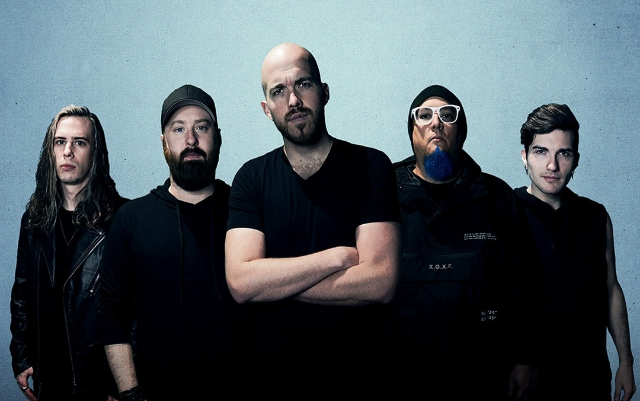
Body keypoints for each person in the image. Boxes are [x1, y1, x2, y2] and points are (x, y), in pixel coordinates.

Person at [225, 42, 401, 374]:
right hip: (273, 377)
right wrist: (335, 259)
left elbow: (380, 281)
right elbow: (241, 283)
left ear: (324, 92)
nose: (293, 100)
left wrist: (274, 285)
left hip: (360, 374)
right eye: (278, 91)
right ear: (266, 109)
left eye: (303, 84)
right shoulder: (251, 178)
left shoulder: (370, 166)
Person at [389, 85, 539, 400]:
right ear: (412, 131)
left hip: (481, 374)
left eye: (448, 115)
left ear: (461, 131)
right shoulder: (384, 195)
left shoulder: (496, 196)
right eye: (424, 115)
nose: (436, 122)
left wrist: (525, 358)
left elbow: (524, 281)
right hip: (401, 373)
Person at [98, 84, 245, 401]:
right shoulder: (132, 219)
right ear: (164, 142)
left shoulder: (247, 212)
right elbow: (111, 313)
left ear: (218, 137)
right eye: (178, 129)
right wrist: (130, 394)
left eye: (201, 127)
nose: (191, 140)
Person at [515, 103, 635, 401]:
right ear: (524, 156)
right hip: (526, 378)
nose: (552, 166)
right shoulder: (505, 211)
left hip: (588, 374)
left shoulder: (595, 216)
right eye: (541, 151)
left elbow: (611, 288)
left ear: (576, 160)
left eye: (564, 153)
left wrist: (626, 361)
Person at [10, 105, 126, 401]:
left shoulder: (121, 218)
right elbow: (22, 293)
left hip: (98, 382)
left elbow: (135, 308)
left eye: (79, 142)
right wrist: (21, 358)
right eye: (60, 141)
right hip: (49, 380)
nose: (67, 152)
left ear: (95, 152)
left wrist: (123, 383)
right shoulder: (34, 220)